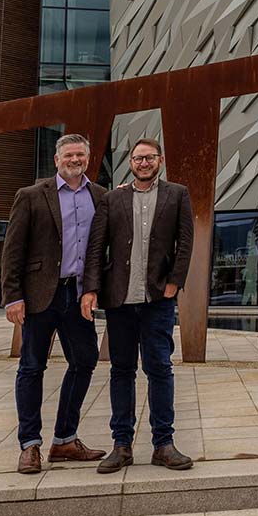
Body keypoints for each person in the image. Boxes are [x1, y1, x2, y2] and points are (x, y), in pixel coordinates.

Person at [82, 137, 194, 473]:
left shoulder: (177, 194)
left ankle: (163, 444)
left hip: (157, 299)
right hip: (119, 300)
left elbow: (186, 240)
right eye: (137, 158)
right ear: (130, 162)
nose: (143, 163)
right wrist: (91, 289)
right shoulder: (113, 198)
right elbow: (96, 246)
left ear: (160, 160)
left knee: (159, 368)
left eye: (149, 157)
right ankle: (122, 445)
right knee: (121, 371)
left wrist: (175, 282)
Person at [0, 133, 109, 475]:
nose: (75, 160)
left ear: (87, 159)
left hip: (78, 296)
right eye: (69, 155)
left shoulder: (100, 197)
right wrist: (13, 296)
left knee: (85, 360)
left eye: (80, 155)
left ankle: (64, 439)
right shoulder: (32, 195)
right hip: (38, 296)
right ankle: (29, 445)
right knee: (32, 366)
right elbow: (12, 250)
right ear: (57, 159)